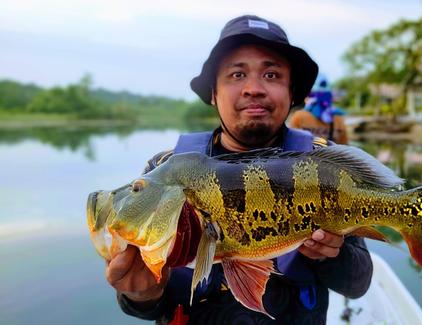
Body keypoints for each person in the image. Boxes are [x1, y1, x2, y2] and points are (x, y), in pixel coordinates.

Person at [105, 15, 373, 324]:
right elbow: (142, 302)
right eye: (236, 74)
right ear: (213, 93)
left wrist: (333, 255)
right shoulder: (164, 172)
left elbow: (358, 284)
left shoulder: (325, 166)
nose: (253, 88)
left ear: (292, 92)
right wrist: (141, 294)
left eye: (271, 75)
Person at [289, 74, 349, 144]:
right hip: (332, 154)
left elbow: (291, 144)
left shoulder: (299, 116)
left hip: (306, 154)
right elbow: (344, 147)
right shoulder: (338, 118)